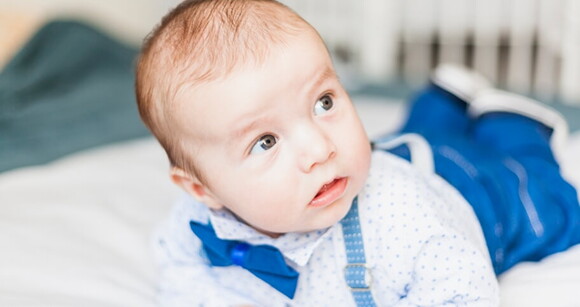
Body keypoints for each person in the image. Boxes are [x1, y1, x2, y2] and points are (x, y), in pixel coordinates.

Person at [135, 0, 580, 305]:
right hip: (389, 155)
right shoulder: (194, 225)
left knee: (546, 202)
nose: (319, 147)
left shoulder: (411, 218)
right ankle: (440, 101)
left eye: (324, 102)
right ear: (201, 187)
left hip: (465, 190)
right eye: (265, 141)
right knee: (414, 137)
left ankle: (512, 121)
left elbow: (462, 290)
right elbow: (180, 274)